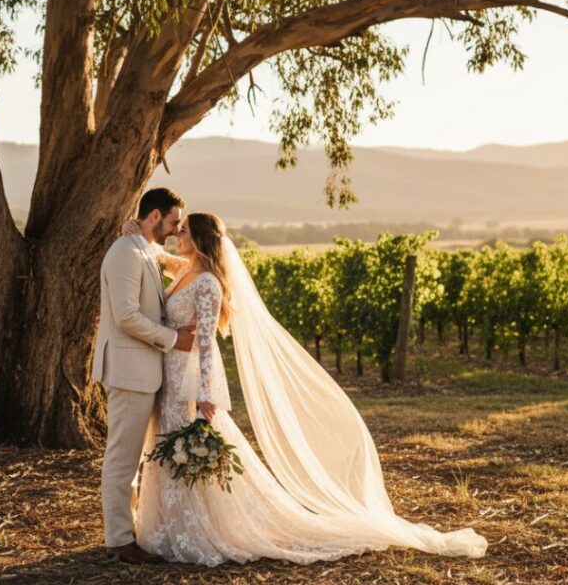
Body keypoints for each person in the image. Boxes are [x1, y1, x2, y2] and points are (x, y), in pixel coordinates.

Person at [122, 212, 488, 566]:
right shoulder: (186, 270)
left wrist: (205, 397)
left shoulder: (207, 284)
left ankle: (195, 531)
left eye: (184, 231)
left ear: (200, 240)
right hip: (167, 379)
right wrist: (137, 233)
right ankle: (168, 529)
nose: (177, 236)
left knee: (185, 452)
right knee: (166, 448)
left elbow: (206, 346)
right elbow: (158, 254)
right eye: (178, 229)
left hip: (188, 385)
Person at [92, 187, 196, 564]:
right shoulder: (124, 253)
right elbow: (126, 316)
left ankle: (127, 532)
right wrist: (173, 340)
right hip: (127, 371)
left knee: (131, 457)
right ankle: (119, 540)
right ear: (154, 216)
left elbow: (182, 263)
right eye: (172, 222)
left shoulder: (142, 247)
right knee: (122, 458)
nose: (174, 229)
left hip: (142, 371)